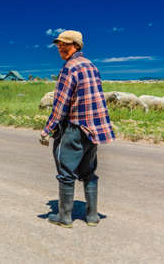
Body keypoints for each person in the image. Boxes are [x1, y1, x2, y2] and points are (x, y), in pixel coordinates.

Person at [40, 30, 114, 228]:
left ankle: (64, 217)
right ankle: (92, 216)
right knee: (89, 172)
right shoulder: (92, 66)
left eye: (65, 44)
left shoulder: (69, 68)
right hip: (93, 130)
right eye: (58, 45)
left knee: (66, 172)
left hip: (74, 128)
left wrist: (47, 129)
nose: (60, 48)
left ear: (76, 45)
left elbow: (61, 104)